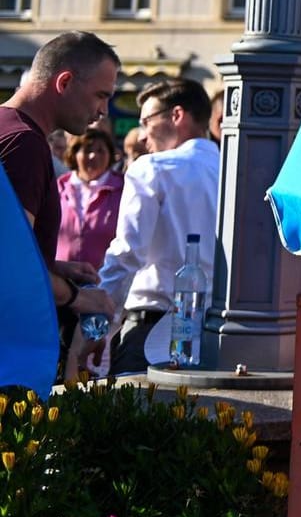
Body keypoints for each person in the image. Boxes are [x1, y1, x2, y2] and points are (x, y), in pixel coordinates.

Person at [85, 79, 221, 376]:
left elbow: (127, 254)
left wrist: (97, 328)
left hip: (151, 331)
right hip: (216, 334)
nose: (144, 136)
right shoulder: (232, 169)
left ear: (177, 116)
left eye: (147, 121)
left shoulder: (152, 168)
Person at [1, 33, 120, 325]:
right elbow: (10, 263)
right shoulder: (23, 145)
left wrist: (52, 267)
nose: (102, 111)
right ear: (64, 82)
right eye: (101, 95)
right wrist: (77, 297)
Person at [57, 127, 124, 272]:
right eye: (87, 150)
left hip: (106, 282)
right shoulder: (57, 188)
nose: (93, 156)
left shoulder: (123, 189)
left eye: (100, 151)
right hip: (62, 283)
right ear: (74, 154)